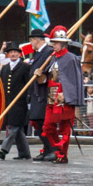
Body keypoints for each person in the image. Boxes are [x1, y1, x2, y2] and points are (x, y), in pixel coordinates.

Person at [35, 25, 83, 164]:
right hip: (51, 97)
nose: (53, 45)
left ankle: (62, 155)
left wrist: (68, 95)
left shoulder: (71, 58)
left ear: (62, 43)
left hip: (64, 98)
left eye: (55, 42)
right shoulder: (52, 58)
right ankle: (58, 149)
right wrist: (39, 76)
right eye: (53, 42)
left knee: (65, 128)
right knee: (47, 127)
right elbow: (47, 79)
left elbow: (74, 81)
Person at [0, 42, 31, 160]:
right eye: (11, 52)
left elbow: (28, 84)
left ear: (19, 54)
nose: (13, 54)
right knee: (19, 130)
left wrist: (27, 98)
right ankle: (25, 153)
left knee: (14, 127)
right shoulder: (5, 68)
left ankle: (4, 149)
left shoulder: (25, 67)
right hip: (8, 102)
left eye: (15, 52)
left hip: (19, 103)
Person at [27, 29, 56, 161]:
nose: (31, 43)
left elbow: (51, 71)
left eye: (31, 40)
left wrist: (42, 75)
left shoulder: (49, 52)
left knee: (42, 121)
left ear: (37, 40)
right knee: (36, 121)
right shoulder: (38, 53)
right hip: (35, 92)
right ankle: (47, 148)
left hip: (43, 93)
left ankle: (52, 149)